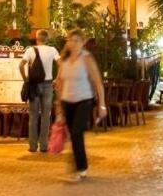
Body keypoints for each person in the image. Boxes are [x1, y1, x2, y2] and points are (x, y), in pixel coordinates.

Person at [53, 30, 106, 183]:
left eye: (77, 40)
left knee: (77, 132)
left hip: (84, 100)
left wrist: (102, 105)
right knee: (73, 135)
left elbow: (97, 82)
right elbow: (60, 84)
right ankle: (77, 164)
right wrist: (59, 108)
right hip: (67, 101)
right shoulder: (64, 61)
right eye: (71, 40)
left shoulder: (86, 58)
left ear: (82, 43)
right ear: (67, 42)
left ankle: (81, 169)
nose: (74, 43)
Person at [20, 29, 60, 154]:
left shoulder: (30, 50)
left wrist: (26, 79)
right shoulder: (52, 50)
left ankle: (32, 145)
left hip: (34, 86)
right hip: (48, 85)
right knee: (45, 116)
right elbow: (61, 64)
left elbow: (21, 65)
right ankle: (44, 146)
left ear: (37, 38)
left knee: (33, 115)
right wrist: (56, 79)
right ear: (47, 39)